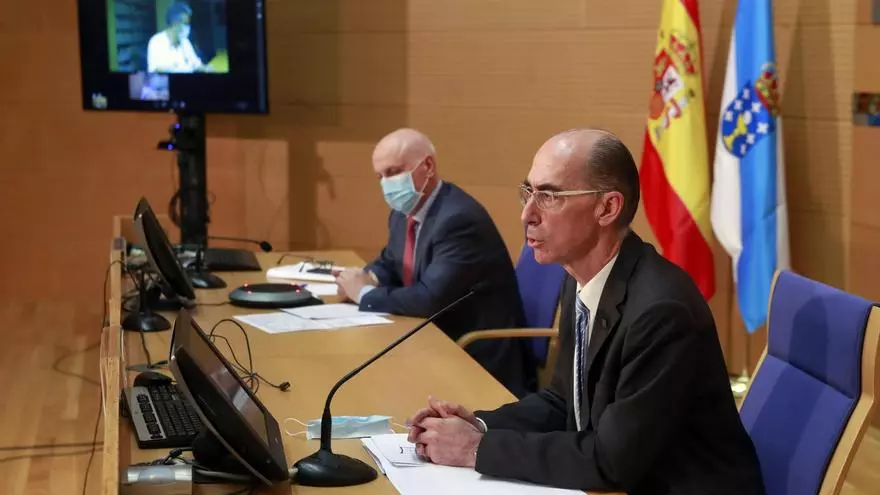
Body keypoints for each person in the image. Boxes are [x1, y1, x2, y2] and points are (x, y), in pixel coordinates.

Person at [406, 129, 766, 494]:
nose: (527, 214)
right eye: (528, 192)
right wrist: (479, 426)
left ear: (607, 208)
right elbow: (564, 401)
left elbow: (611, 462)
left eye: (549, 196)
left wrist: (476, 449)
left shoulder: (661, 312)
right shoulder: (581, 278)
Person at [334, 128, 535, 398]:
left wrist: (364, 293)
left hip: (476, 356)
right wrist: (364, 277)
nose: (386, 184)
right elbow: (391, 261)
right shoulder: (403, 213)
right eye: (380, 177)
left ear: (427, 166)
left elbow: (429, 300)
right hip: (432, 340)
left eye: (393, 172)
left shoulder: (459, 220)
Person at [146, 2, 208, 73]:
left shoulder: (185, 42)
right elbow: (155, 69)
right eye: (185, 24)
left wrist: (207, 69)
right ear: (175, 23)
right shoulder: (156, 42)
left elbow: (196, 64)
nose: (188, 28)